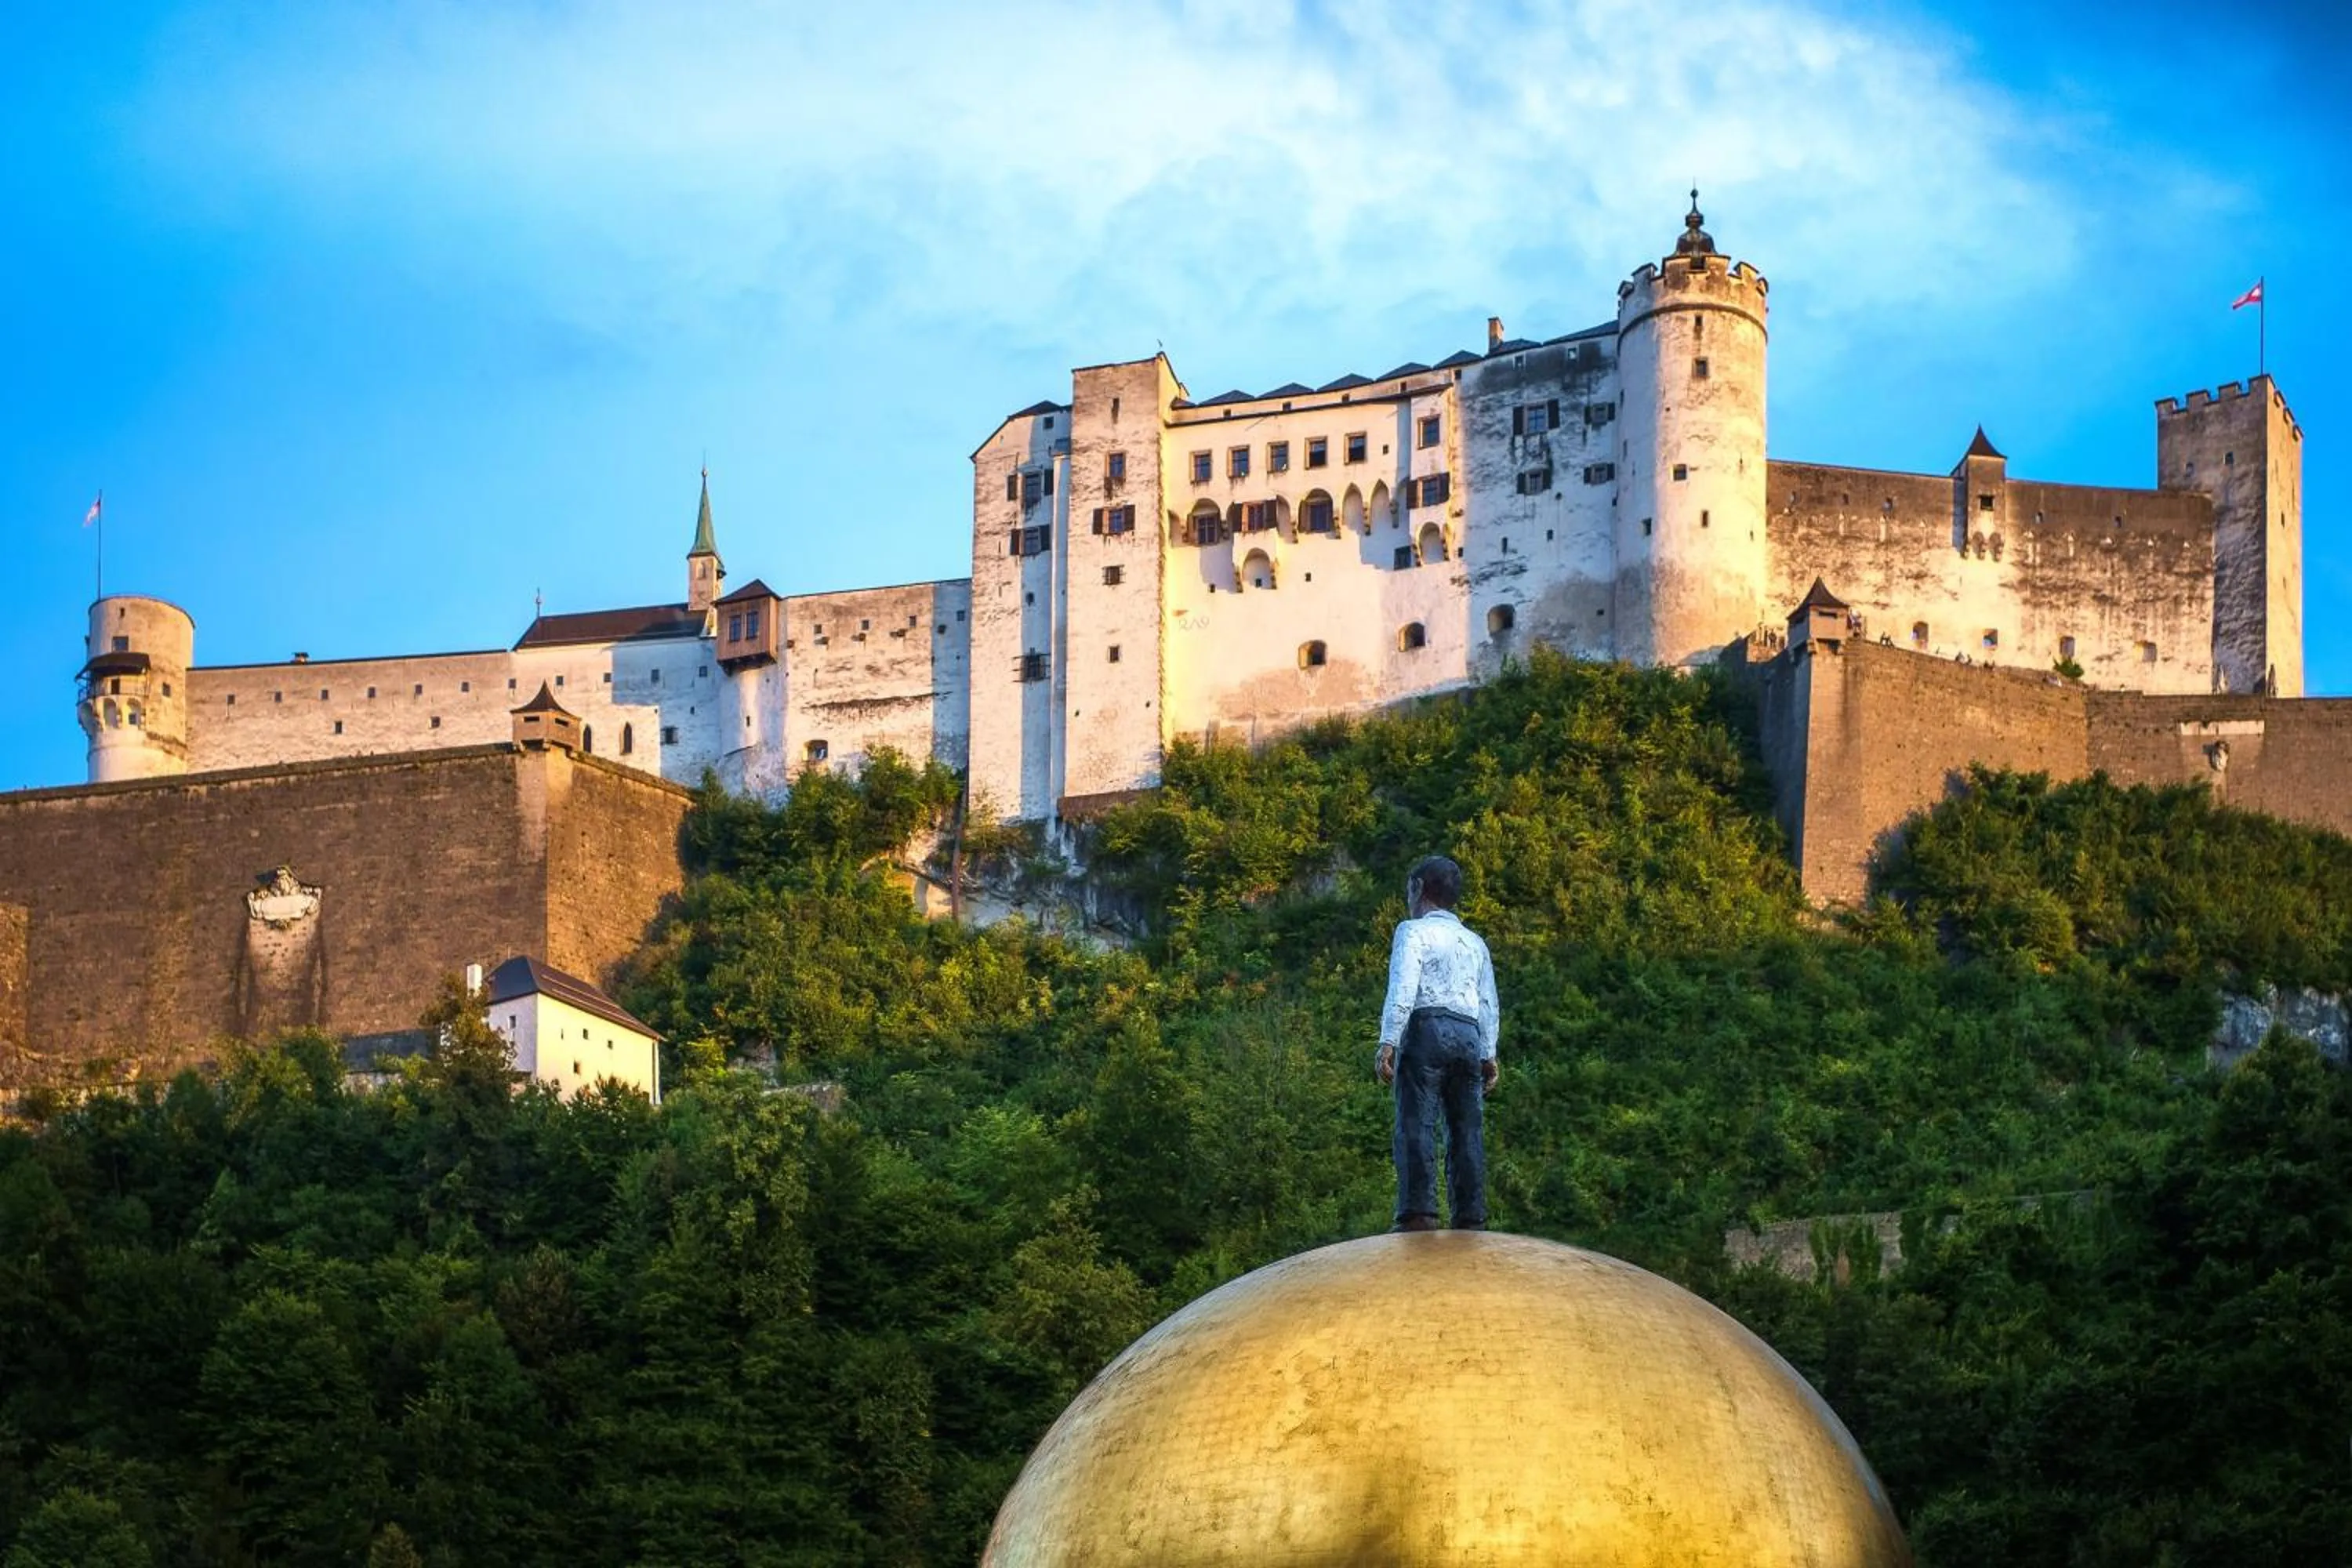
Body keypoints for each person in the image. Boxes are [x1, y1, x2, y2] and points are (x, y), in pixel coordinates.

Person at [1374, 855, 1500, 1232]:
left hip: (1426, 1028)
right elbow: (1487, 1001)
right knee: (1467, 1128)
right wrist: (1489, 1053)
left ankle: (1418, 1214)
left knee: (1416, 1121)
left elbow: (1403, 987)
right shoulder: (1475, 943)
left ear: (1418, 889)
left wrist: (1388, 1041)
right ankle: (1471, 1216)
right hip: (1469, 1034)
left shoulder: (1412, 932)